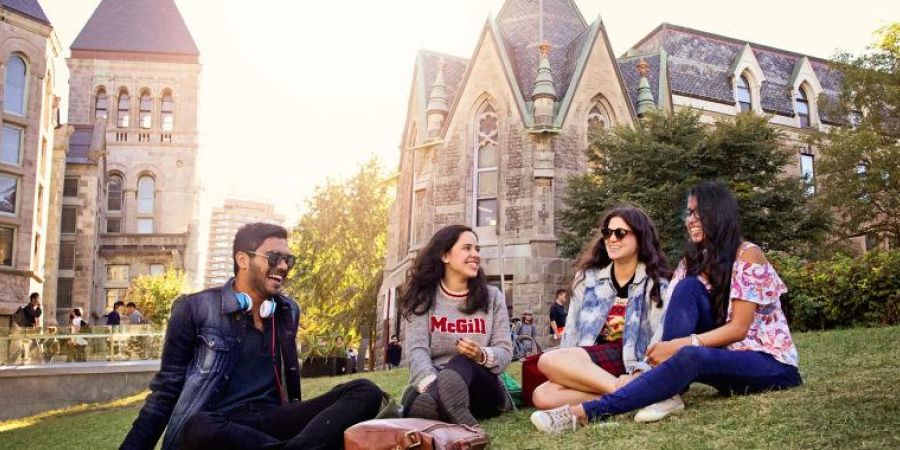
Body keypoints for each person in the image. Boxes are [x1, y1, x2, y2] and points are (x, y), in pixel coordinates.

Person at [531, 181, 803, 433]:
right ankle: (664, 390)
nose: (691, 220)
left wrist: (682, 344)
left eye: (698, 213)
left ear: (719, 214)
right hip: (719, 361)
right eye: (689, 213)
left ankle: (583, 413)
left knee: (689, 354)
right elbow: (676, 316)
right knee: (687, 290)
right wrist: (671, 351)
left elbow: (739, 329)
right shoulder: (691, 263)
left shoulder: (748, 254)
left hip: (768, 364)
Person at [121, 223, 383, 450]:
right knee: (199, 425)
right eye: (274, 257)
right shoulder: (194, 309)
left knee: (365, 391)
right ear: (242, 260)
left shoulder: (286, 311)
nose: (283, 266)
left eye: (288, 260)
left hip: (270, 424)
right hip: (218, 427)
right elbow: (164, 395)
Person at [531, 206, 671, 410]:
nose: (612, 239)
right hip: (592, 360)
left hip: (634, 361)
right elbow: (572, 331)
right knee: (542, 395)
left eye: (620, 233)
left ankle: (633, 389)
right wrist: (566, 367)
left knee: (547, 360)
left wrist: (644, 371)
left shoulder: (656, 283)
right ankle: (629, 394)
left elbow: (661, 337)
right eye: (607, 233)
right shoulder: (588, 279)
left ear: (641, 238)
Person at [399, 224, 513, 427]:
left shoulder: (493, 297)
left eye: (477, 249)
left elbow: (504, 351)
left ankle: (434, 407)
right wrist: (432, 384)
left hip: (480, 386)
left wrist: (480, 355)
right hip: (432, 382)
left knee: (462, 362)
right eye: (467, 248)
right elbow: (417, 352)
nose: (475, 254)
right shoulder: (423, 298)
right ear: (445, 256)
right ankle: (439, 404)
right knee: (419, 398)